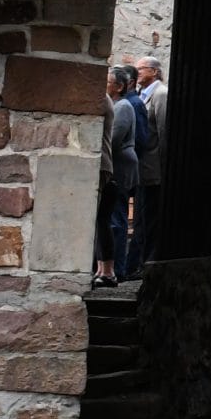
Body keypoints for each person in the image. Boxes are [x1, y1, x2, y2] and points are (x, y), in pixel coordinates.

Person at [94, 65, 141, 288]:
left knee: (114, 219)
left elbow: (114, 139)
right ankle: (104, 269)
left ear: (120, 86)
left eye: (108, 81)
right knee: (108, 219)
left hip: (119, 168)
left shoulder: (122, 106)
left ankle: (115, 270)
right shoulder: (116, 104)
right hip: (115, 166)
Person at [131, 56, 168, 276]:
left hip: (154, 167)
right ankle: (139, 263)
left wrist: (163, 165)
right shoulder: (142, 95)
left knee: (150, 218)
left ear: (154, 72)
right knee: (141, 220)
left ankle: (148, 262)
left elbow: (163, 131)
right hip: (142, 169)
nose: (137, 73)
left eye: (141, 69)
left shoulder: (161, 94)